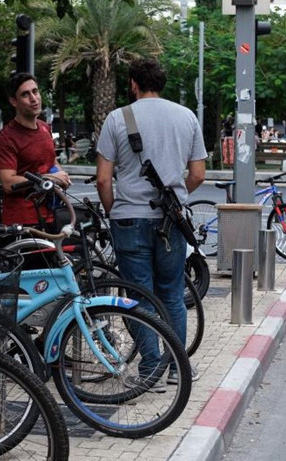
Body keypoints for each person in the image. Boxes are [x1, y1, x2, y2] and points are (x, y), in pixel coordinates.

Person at [95, 58, 206, 387]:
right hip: (171, 221)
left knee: (139, 296)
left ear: (133, 83)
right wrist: (178, 194)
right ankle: (176, 368)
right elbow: (197, 173)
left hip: (129, 219)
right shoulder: (186, 117)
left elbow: (103, 179)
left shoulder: (117, 118)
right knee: (172, 294)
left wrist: (115, 208)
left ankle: (151, 371)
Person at [0, 72, 70, 227]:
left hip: (52, 214)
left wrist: (62, 177)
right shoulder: (6, 138)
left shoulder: (44, 128)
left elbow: (51, 160)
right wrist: (50, 178)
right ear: (14, 101)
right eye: (25, 95)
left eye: (35, 92)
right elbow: (8, 183)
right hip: (24, 222)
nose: (33, 99)